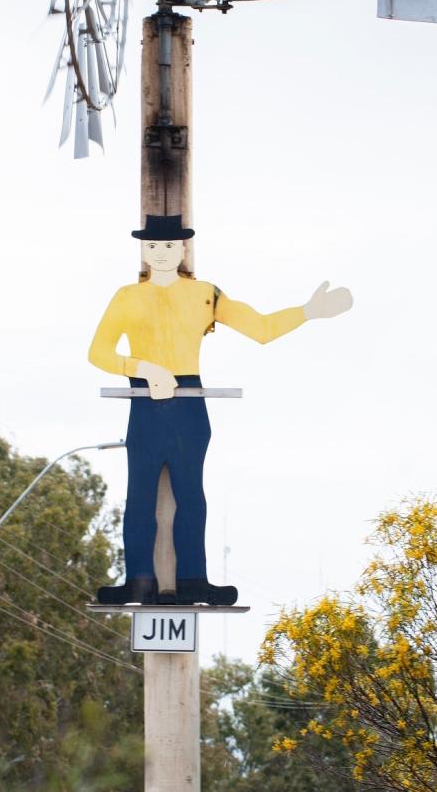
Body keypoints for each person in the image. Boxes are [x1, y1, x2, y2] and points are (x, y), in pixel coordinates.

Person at [89, 214, 352, 604]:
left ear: (183, 249)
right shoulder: (127, 296)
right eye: (153, 246)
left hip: (189, 407)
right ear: (143, 251)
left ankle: (193, 579)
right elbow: (98, 352)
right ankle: (139, 580)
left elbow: (260, 329)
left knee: (191, 494)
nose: (161, 253)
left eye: (169, 246)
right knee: (139, 496)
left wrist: (307, 312)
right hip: (144, 404)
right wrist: (142, 369)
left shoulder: (204, 294)